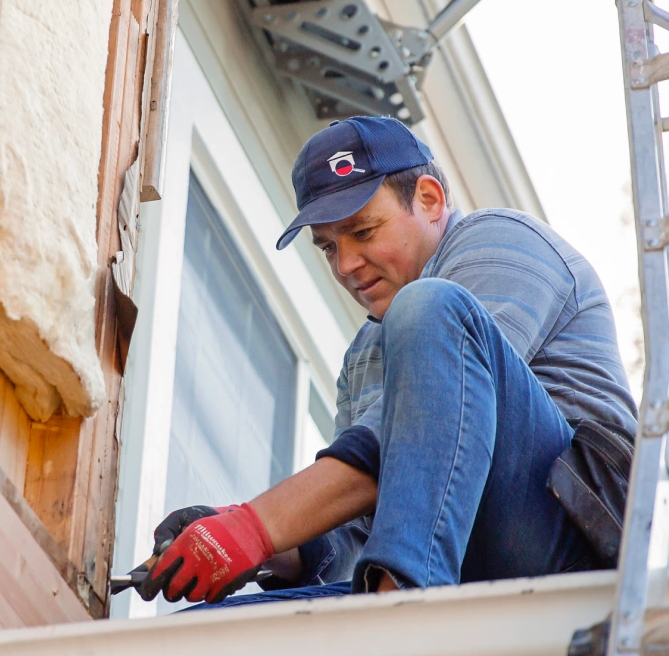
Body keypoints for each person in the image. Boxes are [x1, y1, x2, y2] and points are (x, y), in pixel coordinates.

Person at [139, 115, 638, 607]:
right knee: (204, 639)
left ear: (429, 199)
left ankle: (398, 614)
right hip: (455, 570)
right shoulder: (362, 356)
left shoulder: (498, 243)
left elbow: (425, 425)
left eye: (363, 231)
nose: (345, 265)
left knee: (428, 307)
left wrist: (252, 525)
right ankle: (392, 611)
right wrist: (267, 553)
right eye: (329, 246)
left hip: (577, 547)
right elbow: (361, 531)